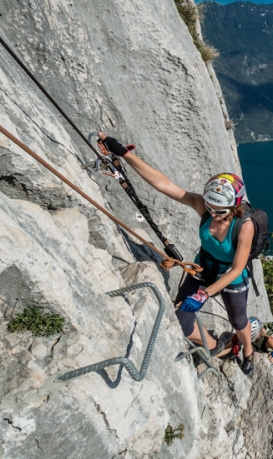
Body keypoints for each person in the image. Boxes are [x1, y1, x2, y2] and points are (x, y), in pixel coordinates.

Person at [97, 133, 257, 376]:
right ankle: (215, 346)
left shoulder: (244, 226)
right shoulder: (205, 206)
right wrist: (124, 153)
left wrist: (205, 294)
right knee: (182, 321)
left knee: (239, 321)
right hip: (204, 269)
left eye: (220, 210)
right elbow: (164, 184)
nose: (213, 214)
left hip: (230, 278)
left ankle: (248, 351)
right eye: (210, 207)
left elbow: (237, 268)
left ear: (235, 206)